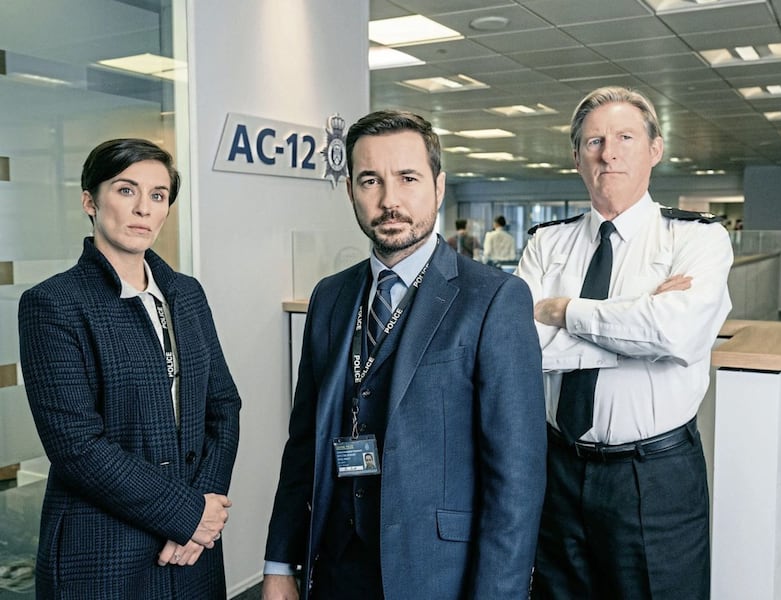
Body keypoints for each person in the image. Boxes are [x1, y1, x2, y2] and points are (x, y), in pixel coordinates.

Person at [262, 110, 546, 600]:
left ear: (438, 186)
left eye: (407, 178)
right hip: (336, 568)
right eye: (371, 180)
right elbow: (304, 442)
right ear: (350, 189)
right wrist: (279, 560)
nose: (389, 200)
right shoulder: (330, 296)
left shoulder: (493, 298)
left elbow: (516, 479)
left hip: (437, 573)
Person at [515, 86, 733, 599]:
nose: (607, 153)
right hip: (558, 469)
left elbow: (675, 330)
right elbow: (521, 348)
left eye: (624, 137)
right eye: (593, 141)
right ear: (576, 157)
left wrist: (563, 310)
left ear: (655, 149)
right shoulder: (547, 242)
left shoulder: (697, 239)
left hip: (654, 477)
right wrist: (639, 327)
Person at [18, 138, 241, 599]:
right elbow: (76, 445)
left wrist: (207, 506)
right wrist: (187, 514)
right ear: (89, 201)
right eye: (126, 190)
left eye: (158, 196)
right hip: (102, 547)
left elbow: (223, 405)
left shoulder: (186, 293)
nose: (144, 208)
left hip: (192, 548)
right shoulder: (53, 304)